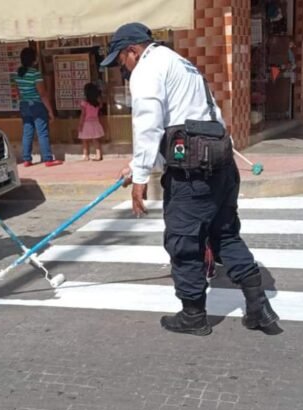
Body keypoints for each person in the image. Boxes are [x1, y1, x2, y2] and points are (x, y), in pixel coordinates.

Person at [103, 22, 282, 336]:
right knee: (224, 235)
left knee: (184, 242)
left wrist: (142, 177)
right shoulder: (181, 63)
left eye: (121, 60)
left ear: (133, 50)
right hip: (222, 166)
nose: (123, 68)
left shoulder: (147, 69)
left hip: (192, 176)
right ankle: (259, 307)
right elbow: (186, 122)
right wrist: (136, 165)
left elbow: (149, 126)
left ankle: (193, 316)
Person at [14, 47, 62, 167]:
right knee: (42, 132)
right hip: (36, 105)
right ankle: (47, 159)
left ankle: (26, 159)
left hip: (24, 105)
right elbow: (42, 94)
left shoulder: (17, 74)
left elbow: (18, 92)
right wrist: (50, 111)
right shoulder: (35, 73)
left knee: (27, 132)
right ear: (33, 59)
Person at [78, 83, 105, 161]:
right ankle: (98, 155)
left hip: (86, 123)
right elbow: (101, 106)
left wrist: (80, 124)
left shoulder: (84, 103)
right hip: (95, 122)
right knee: (95, 139)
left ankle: (86, 155)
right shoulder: (98, 103)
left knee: (84, 140)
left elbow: (83, 114)